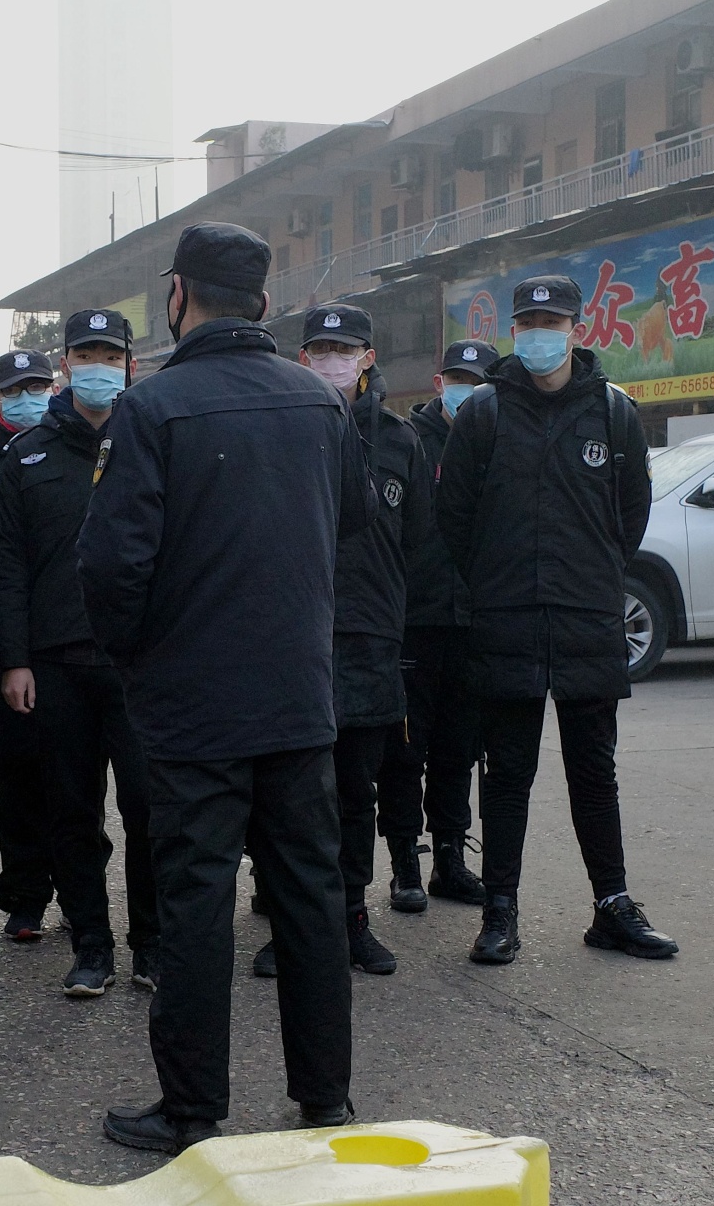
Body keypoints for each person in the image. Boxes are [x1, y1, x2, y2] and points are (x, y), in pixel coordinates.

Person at [79, 222, 371, 1152]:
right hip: (296, 696)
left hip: (194, 706)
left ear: (178, 295)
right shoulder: (319, 405)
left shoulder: (153, 408)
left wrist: (139, 661)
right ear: (265, 305)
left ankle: (193, 1107)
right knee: (311, 894)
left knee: (197, 901)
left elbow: (112, 567)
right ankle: (325, 1096)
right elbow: (353, 524)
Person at [436, 275, 677, 966]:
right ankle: (500, 910)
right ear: (515, 329)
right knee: (507, 772)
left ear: (577, 327)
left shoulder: (612, 412)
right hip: (507, 619)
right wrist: (496, 578)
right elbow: (455, 520)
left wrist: (588, 575)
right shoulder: (484, 413)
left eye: (553, 319)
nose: (540, 332)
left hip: (584, 620)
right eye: (529, 320)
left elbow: (629, 517)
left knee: (593, 770)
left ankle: (612, 907)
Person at [251, 305, 431, 980]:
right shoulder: (279, 432)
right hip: (295, 639)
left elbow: (417, 538)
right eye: (319, 348)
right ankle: (293, 922)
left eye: (343, 348)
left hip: (369, 637)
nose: (330, 359)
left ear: (368, 357)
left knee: (358, 790)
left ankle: (353, 917)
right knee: (292, 793)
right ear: (302, 360)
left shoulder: (400, 440)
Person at [0, 308, 158, 998]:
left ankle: (152, 943)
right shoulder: (26, 455)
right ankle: (91, 946)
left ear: (130, 365)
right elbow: (6, 568)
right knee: (71, 813)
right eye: (84, 354)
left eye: (109, 355)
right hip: (56, 666)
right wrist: (14, 660)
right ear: (64, 365)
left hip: (139, 664)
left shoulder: (152, 439)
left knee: (149, 808)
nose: (97, 366)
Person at [378, 339, 499, 912]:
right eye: (456, 378)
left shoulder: (498, 440)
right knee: (405, 749)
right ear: (437, 382)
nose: (464, 389)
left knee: (459, 749)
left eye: (475, 380)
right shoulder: (408, 441)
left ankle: (450, 856)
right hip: (414, 620)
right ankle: (405, 861)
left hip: (472, 620)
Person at [0, 346, 58, 941]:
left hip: (71, 641)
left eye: (38, 386)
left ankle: (79, 886)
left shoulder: (85, 449)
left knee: (81, 779)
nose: (28, 398)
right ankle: (26, 894)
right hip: (5, 645)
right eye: (16, 390)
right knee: (19, 778)